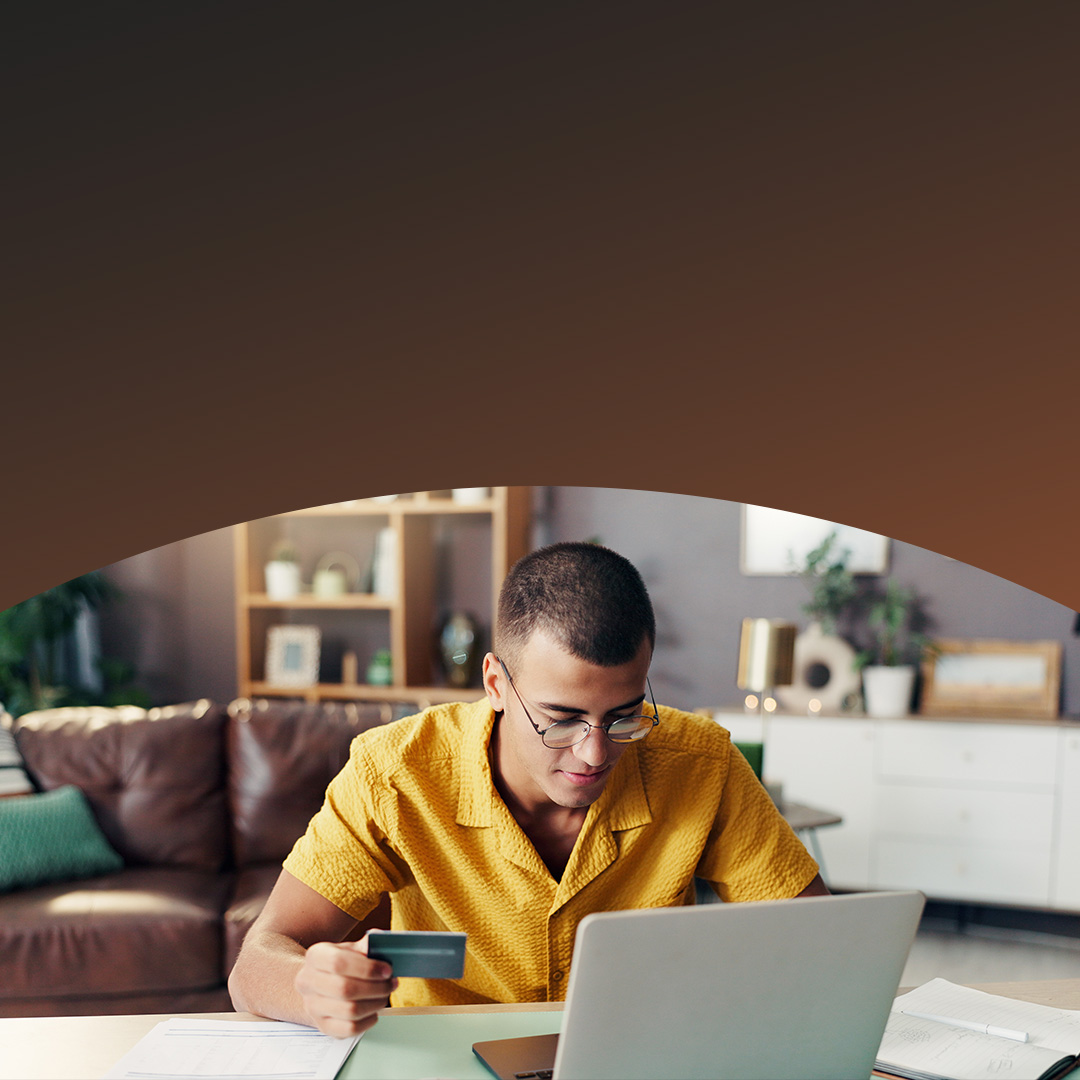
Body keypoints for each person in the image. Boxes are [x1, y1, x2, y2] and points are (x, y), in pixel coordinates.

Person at [228, 541, 828, 1037]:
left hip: (636, 1053)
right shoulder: (394, 772)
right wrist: (310, 989)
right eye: (561, 718)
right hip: (444, 1061)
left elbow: (824, 950)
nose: (595, 753)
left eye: (624, 714)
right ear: (495, 682)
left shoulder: (700, 761)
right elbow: (256, 963)